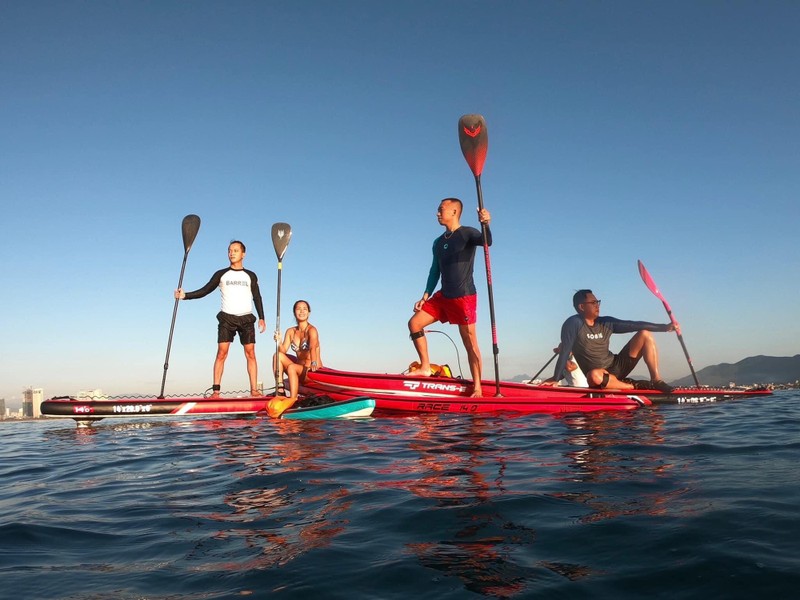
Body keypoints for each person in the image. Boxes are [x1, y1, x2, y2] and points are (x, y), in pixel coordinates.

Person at [408, 197, 491, 398]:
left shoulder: (467, 233)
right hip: (443, 296)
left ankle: (477, 387)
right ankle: (425, 367)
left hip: (464, 297)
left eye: (441, 209)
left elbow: (487, 242)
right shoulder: (438, 242)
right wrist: (426, 295)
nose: (437, 213)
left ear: (454, 212)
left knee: (470, 343)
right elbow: (434, 270)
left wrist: (486, 224)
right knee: (415, 323)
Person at [175, 240, 266, 397]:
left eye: (236, 250)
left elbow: (257, 297)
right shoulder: (221, 274)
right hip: (226, 318)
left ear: (243, 254)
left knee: (250, 353)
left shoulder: (250, 275)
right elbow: (205, 290)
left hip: (246, 319)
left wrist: (262, 317)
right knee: (222, 353)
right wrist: (185, 296)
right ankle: (216, 391)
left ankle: (254, 390)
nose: (232, 253)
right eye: (230, 250)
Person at [541, 289, 676, 393]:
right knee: (594, 376)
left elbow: (634, 324)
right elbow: (565, 350)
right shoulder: (573, 323)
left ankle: (656, 380)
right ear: (582, 307)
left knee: (644, 334)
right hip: (598, 375)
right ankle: (633, 385)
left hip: (618, 365)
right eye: (593, 303)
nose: (597, 305)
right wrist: (555, 378)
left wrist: (664, 327)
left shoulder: (605, 322)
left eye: (597, 302)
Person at [267, 300, 322, 417]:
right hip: (298, 369)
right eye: (298, 309)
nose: (302, 311)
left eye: (304, 309)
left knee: (292, 367)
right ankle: (280, 390)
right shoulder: (291, 331)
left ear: (309, 312)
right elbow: (283, 351)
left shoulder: (312, 330)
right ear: (294, 312)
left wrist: (314, 361)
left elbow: (312, 347)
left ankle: (293, 399)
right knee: (277, 355)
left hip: (311, 371)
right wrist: (278, 341)